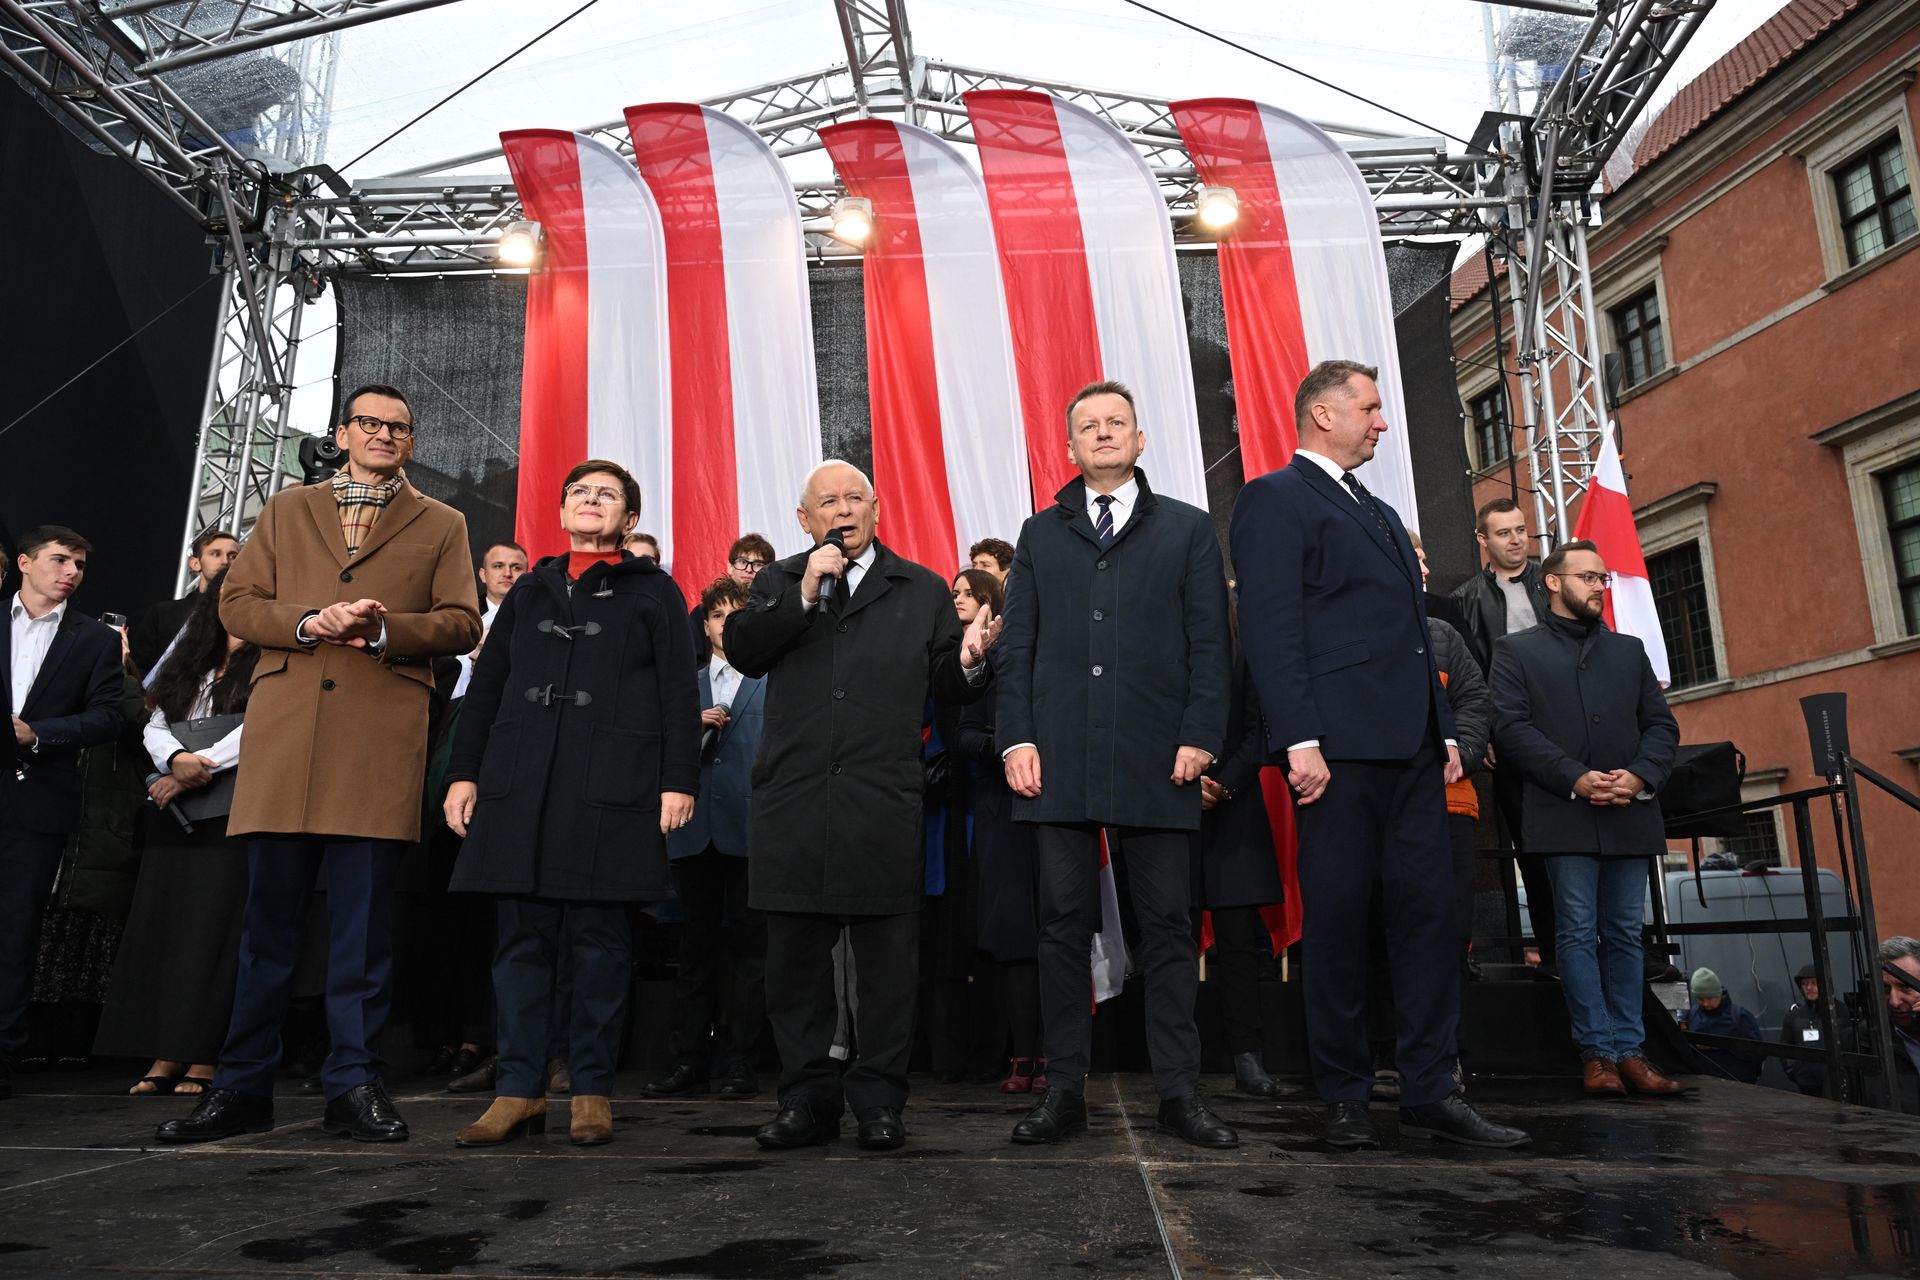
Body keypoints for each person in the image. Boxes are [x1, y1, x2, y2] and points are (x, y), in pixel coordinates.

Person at [157, 383, 483, 1145]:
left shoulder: (443, 522)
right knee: (266, 929)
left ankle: (354, 1083)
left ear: (410, 442)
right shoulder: (286, 509)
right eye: (370, 422)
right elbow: (237, 604)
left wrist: (378, 630)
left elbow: (462, 622)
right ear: (343, 432)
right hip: (287, 741)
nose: (384, 435)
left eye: (399, 428)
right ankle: (240, 1087)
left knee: (363, 936)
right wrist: (309, 621)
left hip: (375, 746)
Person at [1231, 360, 1528, 1151]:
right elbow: (1269, 629)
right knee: (1337, 926)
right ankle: (1344, 1096)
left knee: (1430, 926)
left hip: (1412, 757)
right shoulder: (1273, 499)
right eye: (1369, 408)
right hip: (1333, 755)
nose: (1382, 422)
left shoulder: (1386, 514)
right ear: (1323, 416)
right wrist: (1299, 740)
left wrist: (1441, 737)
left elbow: (1411, 640)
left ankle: (1432, 1088)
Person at [724, 459, 998, 1153]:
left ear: (876, 509)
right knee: (796, 964)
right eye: (827, 502)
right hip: (796, 795)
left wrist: (968, 662)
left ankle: (880, 1099)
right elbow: (747, 651)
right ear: (804, 519)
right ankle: (807, 1099)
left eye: (854, 499)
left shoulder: (923, 587)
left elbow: (947, 679)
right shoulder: (780, 582)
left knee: (887, 965)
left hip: (882, 798)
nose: (842, 510)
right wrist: (805, 592)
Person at [996, 380, 1237, 1150]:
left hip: (1158, 759)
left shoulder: (1190, 530)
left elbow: (1212, 645)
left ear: (1139, 441)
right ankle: (1063, 1093)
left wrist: (1200, 735)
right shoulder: (1039, 535)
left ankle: (1180, 1094)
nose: (1102, 434)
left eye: (1116, 424)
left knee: (1168, 927)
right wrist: (1017, 738)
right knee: (1061, 927)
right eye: (1087, 426)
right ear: (1068, 447)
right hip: (1058, 758)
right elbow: (1017, 649)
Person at [442, 460, 699, 1146]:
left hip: (610, 790)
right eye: (580, 493)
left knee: (598, 947)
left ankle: (590, 1089)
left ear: (630, 520)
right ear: (561, 513)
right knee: (519, 946)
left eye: (607, 494)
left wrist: (679, 781)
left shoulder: (655, 594)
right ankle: (517, 1091)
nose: (591, 500)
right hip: (520, 788)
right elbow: (487, 690)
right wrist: (463, 774)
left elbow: (680, 692)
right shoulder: (529, 594)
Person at [1489, 539, 1684, 1099]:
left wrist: (1640, 776)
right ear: (1553, 582)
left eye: (1602, 579)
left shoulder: (1628, 651)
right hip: (1561, 811)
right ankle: (1596, 1053)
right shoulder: (1516, 651)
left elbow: (1662, 726)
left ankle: (1630, 1050)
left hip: (1629, 810)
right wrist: (1573, 776)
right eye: (1588, 577)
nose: (1600, 586)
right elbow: (1512, 728)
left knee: (1624, 934)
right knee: (1574, 934)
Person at [95, 570, 258, 1096]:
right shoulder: (191, 654)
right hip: (176, 815)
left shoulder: (277, 657)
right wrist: (175, 760)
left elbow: (269, 722)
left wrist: (199, 764)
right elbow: (154, 718)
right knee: (165, 931)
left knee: (215, 935)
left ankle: (205, 1057)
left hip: (233, 811)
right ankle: (165, 1055)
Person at [1, 527, 125, 1100]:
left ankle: (2, 1054)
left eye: (79, 562)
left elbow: (108, 717)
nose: (71, 570)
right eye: (59, 559)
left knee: (14, 931)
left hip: (37, 799)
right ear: (24, 563)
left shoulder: (94, 640)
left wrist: (39, 733)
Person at [645, 575, 769, 1102]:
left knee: (750, 954)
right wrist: (687, 729)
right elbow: (651, 754)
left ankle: (740, 1060)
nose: (727, 624)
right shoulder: (683, 685)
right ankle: (688, 1059)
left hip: (751, 834)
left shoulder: (775, 680)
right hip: (692, 832)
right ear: (705, 624)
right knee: (694, 954)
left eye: (737, 614)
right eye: (718, 615)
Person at [1450, 497, 1556, 973]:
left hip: (1567, 734)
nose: (1516, 540)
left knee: (1571, 853)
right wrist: (1484, 735)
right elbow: (1471, 676)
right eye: (1504, 532)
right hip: (1509, 741)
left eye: (1521, 530)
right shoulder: (1467, 599)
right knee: (1526, 849)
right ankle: (1550, 952)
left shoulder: (1554, 584)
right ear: (1483, 541)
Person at [951, 572, 1045, 1094]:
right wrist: (1006, 750)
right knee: (1011, 940)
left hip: (1053, 810)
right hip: (1000, 813)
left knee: (1060, 935)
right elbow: (964, 735)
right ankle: (1022, 1054)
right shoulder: (983, 662)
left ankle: (1058, 1053)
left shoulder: (1057, 655)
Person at [128, 529, 239, 676]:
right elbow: (139, 669)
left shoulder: (245, 616)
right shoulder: (163, 614)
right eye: (215, 554)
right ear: (195, 564)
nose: (225, 561)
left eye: (233, 556)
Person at [450, 541, 527, 701]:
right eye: (498, 566)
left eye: (516, 568)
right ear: (483, 575)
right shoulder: (459, 616)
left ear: (527, 575)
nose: (507, 573)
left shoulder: (536, 619)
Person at [693, 533, 776, 665]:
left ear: (770, 571)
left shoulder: (775, 612)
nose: (749, 569)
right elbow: (691, 661)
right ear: (730, 566)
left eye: (758, 564)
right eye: (742, 562)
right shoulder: (703, 611)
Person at [1680, 968, 1765, 1084]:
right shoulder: (1690, 1016)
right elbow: (1681, 1047)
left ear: (1719, 994)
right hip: (1703, 1086)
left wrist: (1719, 1045)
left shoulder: (1740, 1016)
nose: (1705, 1003)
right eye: (1700, 999)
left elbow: (1759, 1052)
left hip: (1737, 1085)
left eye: (1710, 998)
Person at [1781, 962, 1844, 1097]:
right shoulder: (1793, 1017)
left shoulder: (1842, 1012)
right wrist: (1797, 1072)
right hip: (1807, 1087)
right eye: (1805, 984)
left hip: (1839, 1086)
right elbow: (1785, 1050)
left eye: (1814, 983)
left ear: (1824, 984)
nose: (1809, 987)